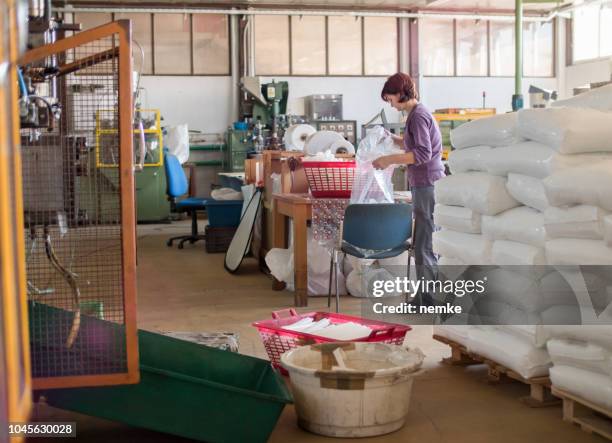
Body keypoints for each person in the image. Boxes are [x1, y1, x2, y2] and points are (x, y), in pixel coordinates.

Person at [373, 72, 445, 306]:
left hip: (427, 183)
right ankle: (424, 296)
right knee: (422, 243)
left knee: (425, 244)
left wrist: (389, 160)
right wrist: (393, 138)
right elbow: (414, 144)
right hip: (423, 184)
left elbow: (423, 154)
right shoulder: (415, 115)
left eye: (390, 98)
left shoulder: (417, 116)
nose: (391, 104)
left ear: (400, 93)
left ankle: (429, 299)